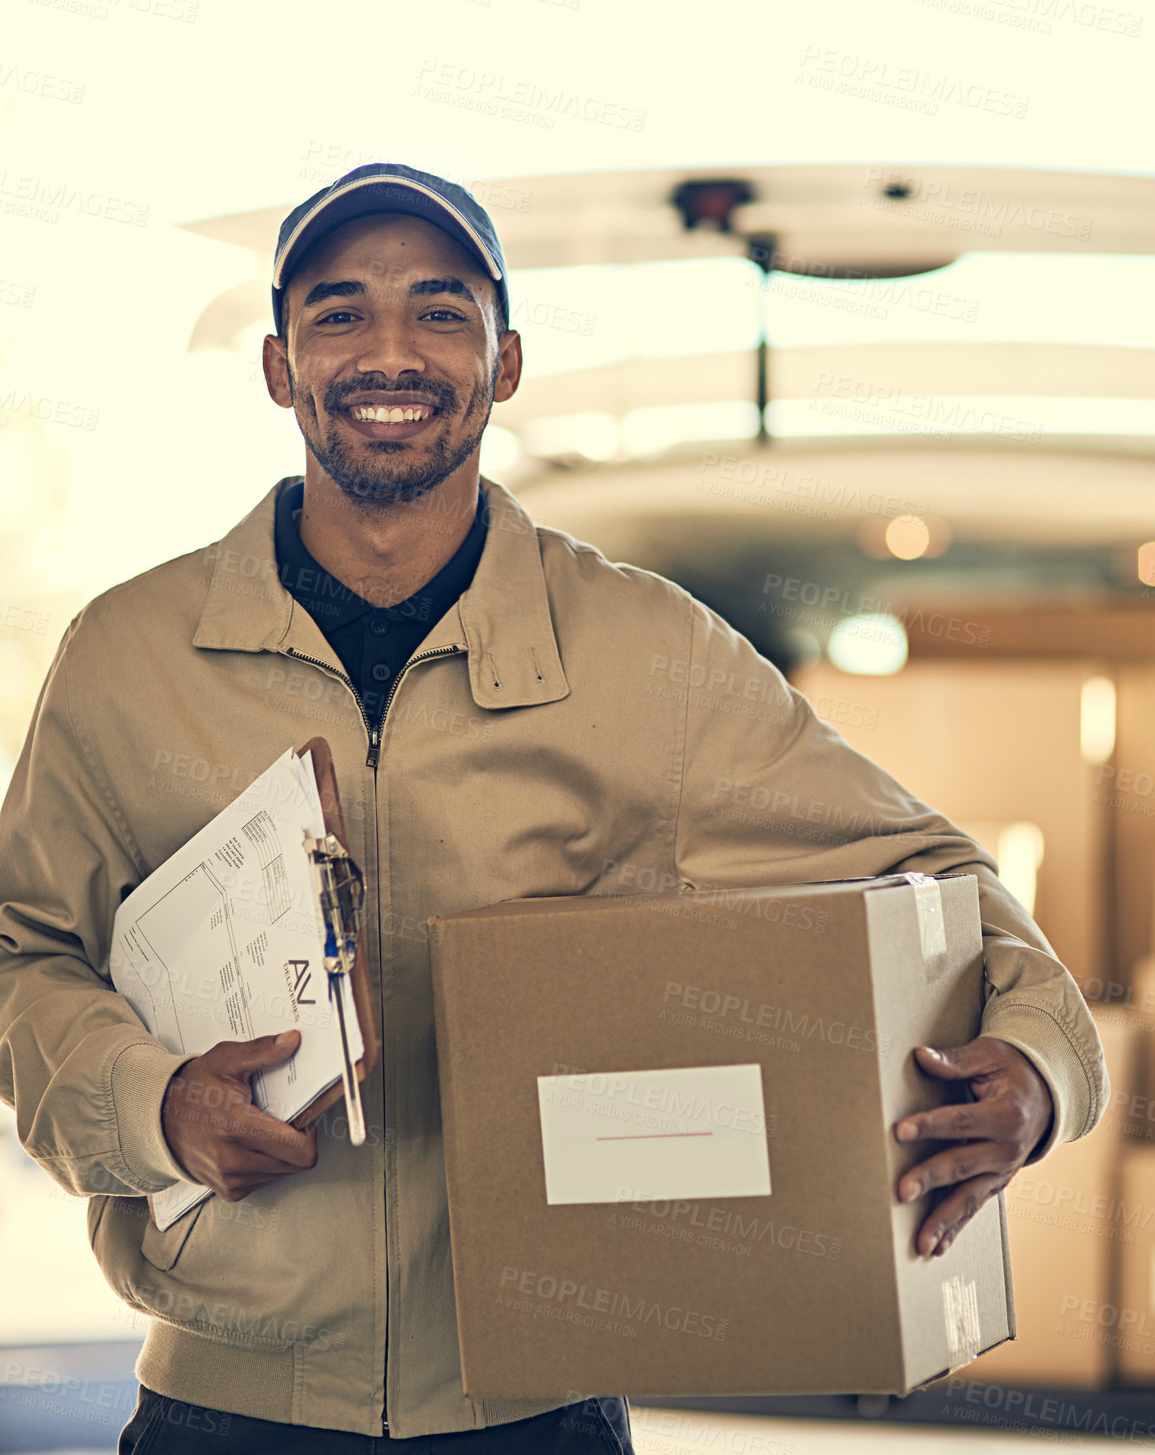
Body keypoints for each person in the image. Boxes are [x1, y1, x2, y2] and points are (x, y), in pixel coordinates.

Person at [0, 162, 1105, 1452]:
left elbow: (937, 880)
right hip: (226, 1404)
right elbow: (26, 953)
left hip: (538, 1406)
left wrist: (1038, 1068)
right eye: (341, 312)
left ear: (506, 360)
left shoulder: (650, 654)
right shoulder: (133, 655)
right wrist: (152, 1105)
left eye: (443, 310)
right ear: (278, 363)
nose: (390, 351)